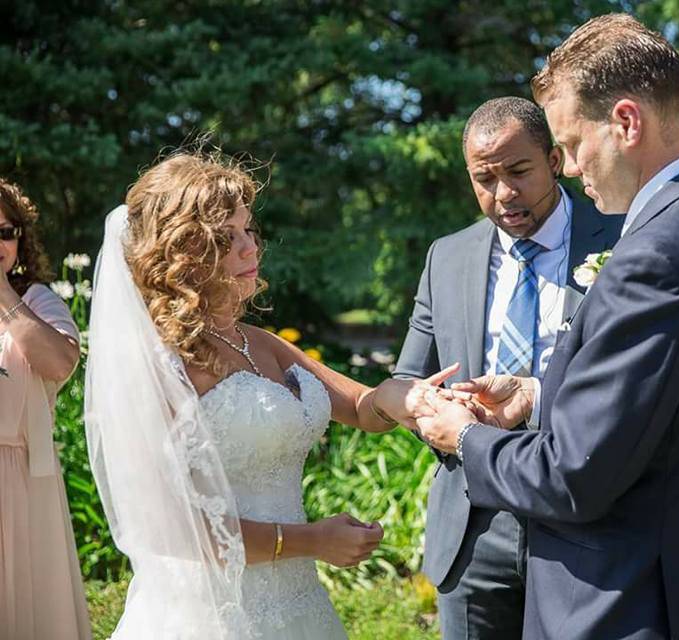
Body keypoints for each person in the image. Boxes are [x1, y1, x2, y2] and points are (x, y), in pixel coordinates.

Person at [415, 14, 679, 640]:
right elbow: (659, 410)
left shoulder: (653, 257)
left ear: (626, 123)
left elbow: (572, 476)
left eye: (574, 143)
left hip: (621, 606)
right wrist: (536, 397)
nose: (573, 168)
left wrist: (464, 437)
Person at [84, 151, 451, 639]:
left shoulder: (261, 343)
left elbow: (365, 408)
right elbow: (170, 529)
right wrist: (312, 540)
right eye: (225, 238)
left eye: (248, 231)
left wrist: (408, 398)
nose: (249, 249)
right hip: (210, 614)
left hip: (299, 606)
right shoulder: (158, 368)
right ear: (179, 254)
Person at [393, 96, 621, 638]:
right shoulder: (446, 257)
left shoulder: (620, 239)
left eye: (519, 172)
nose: (504, 195)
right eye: (484, 179)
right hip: (474, 528)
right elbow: (407, 381)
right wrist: (443, 408)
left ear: (554, 159)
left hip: (580, 520)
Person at [0, 178, 91, 639]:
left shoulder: (37, 301)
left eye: (5, 232)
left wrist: (3, 295)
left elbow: (59, 363)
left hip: (21, 477)